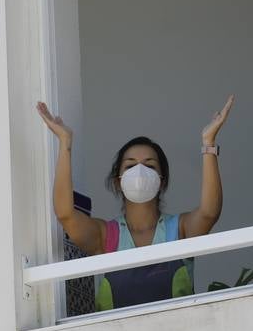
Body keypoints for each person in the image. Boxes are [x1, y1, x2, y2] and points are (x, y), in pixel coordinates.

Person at [37, 96, 235, 310]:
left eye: (149, 165)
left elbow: (209, 212)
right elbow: (65, 214)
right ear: (118, 180)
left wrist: (209, 144)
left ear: (162, 180)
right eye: (130, 166)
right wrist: (65, 143)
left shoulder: (179, 229)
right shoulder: (106, 236)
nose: (139, 172)